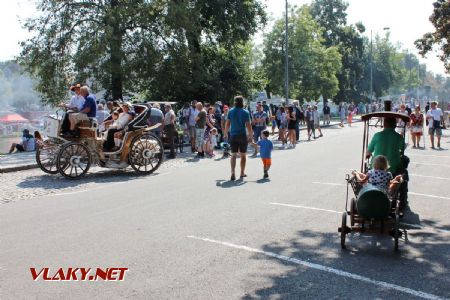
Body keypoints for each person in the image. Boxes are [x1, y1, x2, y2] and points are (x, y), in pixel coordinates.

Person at [224, 95, 253, 181]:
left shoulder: (230, 111)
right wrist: (251, 135)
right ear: (242, 102)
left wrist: (225, 133)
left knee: (233, 154)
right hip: (242, 135)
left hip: (233, 135)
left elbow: (227, 123)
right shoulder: (245, 112)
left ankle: (233, 172)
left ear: (235, 102)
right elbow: (248, 125)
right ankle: (242, 172)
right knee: (243, 155)